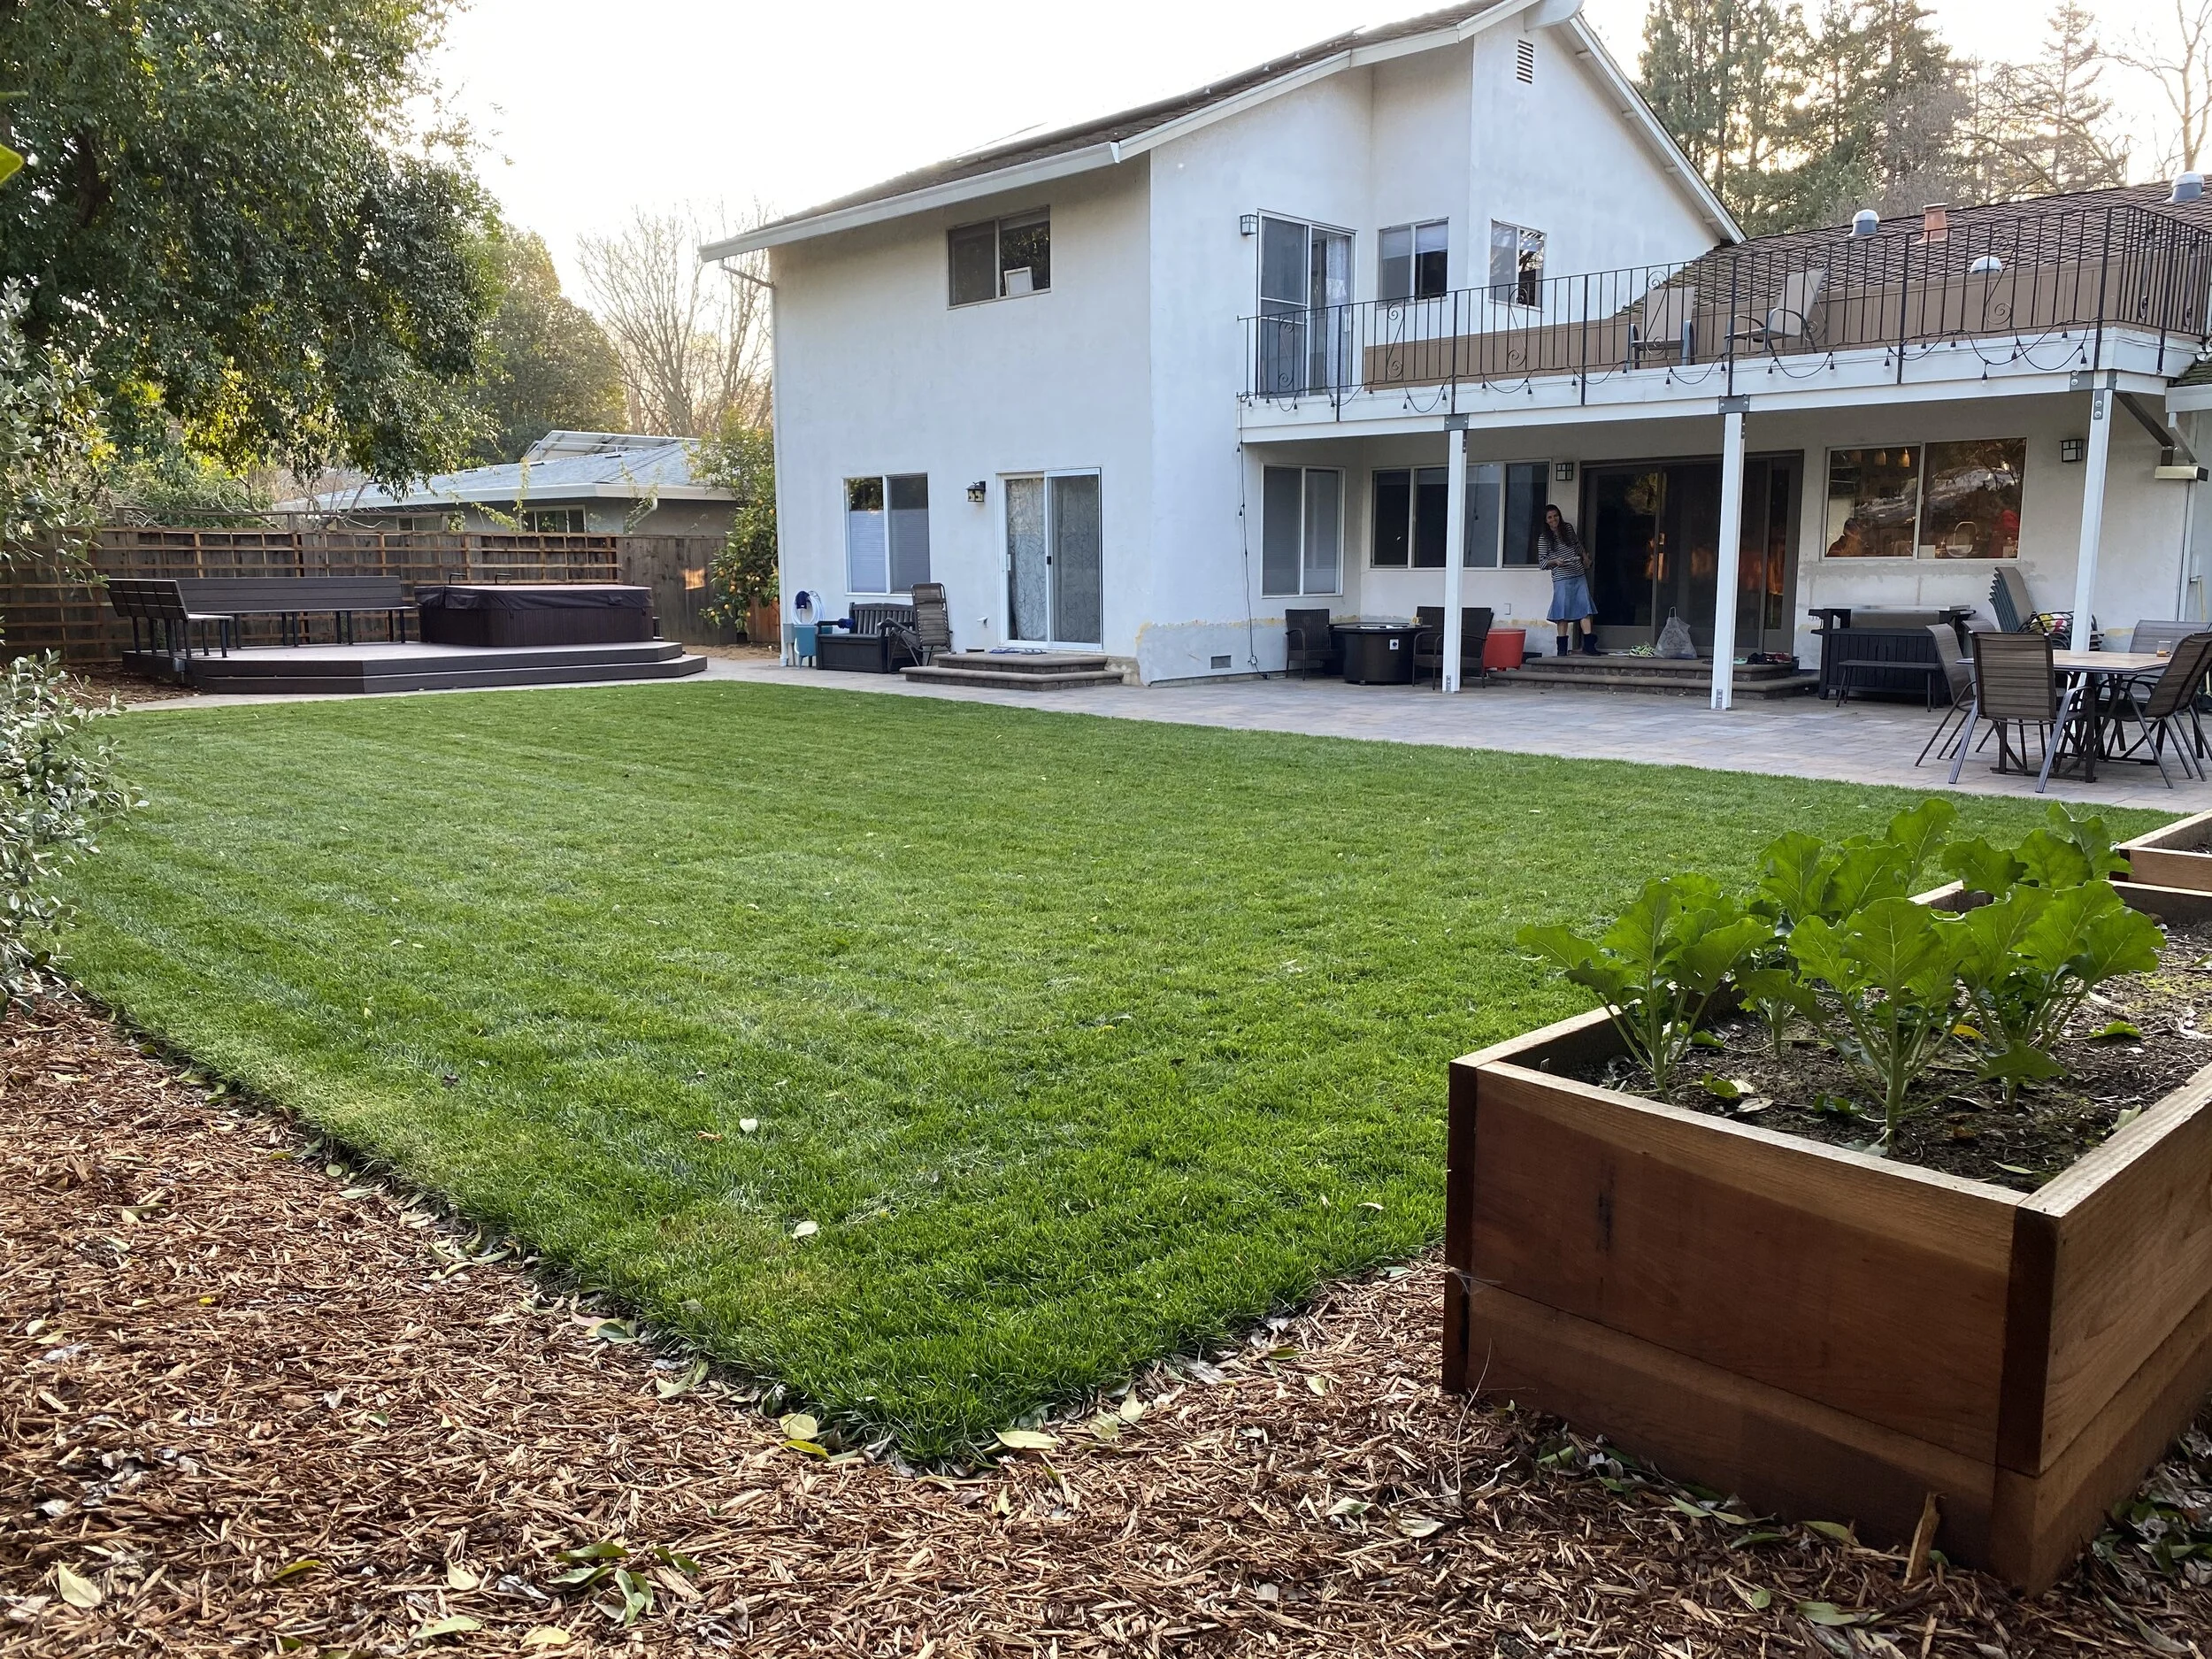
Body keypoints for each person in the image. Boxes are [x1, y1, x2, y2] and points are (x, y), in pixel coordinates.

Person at [1538, 504, 1598, 656]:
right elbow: (1542, 563)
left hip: (1578, 574)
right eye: (1550, 517)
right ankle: (1562, 649)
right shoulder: (1544, 538)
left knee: (1585, 609)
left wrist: (1585, 558)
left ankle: (1589, 646)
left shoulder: (1568, 529)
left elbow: (1577, 546)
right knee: (1562, 613)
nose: (1553, 520)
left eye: (1556, 516)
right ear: (1545, 521)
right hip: (1561, 578)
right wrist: (1555, 561)